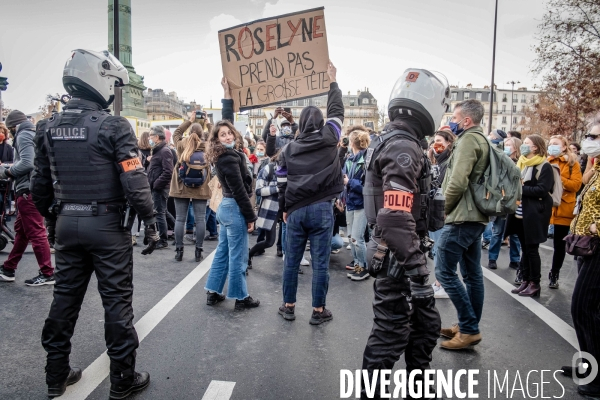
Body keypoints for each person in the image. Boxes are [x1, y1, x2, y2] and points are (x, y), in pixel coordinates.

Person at [30, 49, 158, 399]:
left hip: (67, 224)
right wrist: (150, 221)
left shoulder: (47, 127)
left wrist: (55, 220)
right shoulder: (114, 125)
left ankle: (55, 375)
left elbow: (39, 186)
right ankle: (122, 380)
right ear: (100, 80)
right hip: (106, 227)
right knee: (116, 303)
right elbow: (135, 181)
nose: (114, 92)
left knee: (64, 301)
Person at [360, 68, 447, 398]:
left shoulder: (396, 141)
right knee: (391, 334)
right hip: (399, 257)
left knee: (423, 331)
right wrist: (419, 273)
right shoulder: (404, 148)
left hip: (399, 252)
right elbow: (396, 216)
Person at [276, 61, 343, 325]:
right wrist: (333, 81)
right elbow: (337, 111)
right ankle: (318, 311)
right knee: (320, 263)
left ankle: (288, 306)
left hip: (295, 210)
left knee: (291, 261)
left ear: (301, 124)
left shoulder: (290, 148)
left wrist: (284, 208)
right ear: (321, 122)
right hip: (322, 208)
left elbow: (282, 182)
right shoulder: (330, 137)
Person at [435, 99, 490, 350]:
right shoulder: (481, 139)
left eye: (454, 118)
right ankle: (468, 325)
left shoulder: (468, 140)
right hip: (475, 215)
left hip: (461, 216)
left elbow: (457, 182)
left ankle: (468, 328)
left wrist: (442, 210)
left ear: (466, 121)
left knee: (443, 271)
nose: (451, 122)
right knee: (471, 274)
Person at [204, 77, 259, 311]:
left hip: (225, 209)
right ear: (217, 139)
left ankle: (213, 292)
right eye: (222, 135)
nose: (227, 136)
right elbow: (239, 191)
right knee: (238, 256)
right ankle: (240, 296)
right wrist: (250, 217)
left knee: (224, 252)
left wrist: (226, 94)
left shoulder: (225, 153)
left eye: (229, 133)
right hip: (234, 208)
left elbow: (226, 119)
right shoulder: (228, 157)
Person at [0, 110, 54, 286]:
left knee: (36, 232)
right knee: (22, 231)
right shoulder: (34, 132)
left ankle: (47, 273)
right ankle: (8, 268)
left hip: (27, 189)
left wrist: (8, 171)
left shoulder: (23, 135)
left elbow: (27, 162)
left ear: (14, 126)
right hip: (34, 188)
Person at [566, 123, 600, 398]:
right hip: (587, 247)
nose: (588, 140)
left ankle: (595, 377)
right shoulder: (596, 168)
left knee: (583, 306)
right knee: (589, 309)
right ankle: (589, 364)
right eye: (588, 135)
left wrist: (594, 228)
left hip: (597, 245)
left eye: (594, 136)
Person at [506, 134, 554, 297]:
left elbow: (543, 189)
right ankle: (525, 280)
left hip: (534, 213)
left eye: (527, 143)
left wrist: (520, 189)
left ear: (535, 147)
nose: (523, 146)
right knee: (525, 249)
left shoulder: (544, 165)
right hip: (520, 213)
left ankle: (535, 283)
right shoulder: (522, 163)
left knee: (532, 249)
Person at [170, 111, 212, 262]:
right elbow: (215, 136)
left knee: (180, 219)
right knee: (200, 219)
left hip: (181, 186)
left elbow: (176, 133)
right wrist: (207, 122)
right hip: (201, 187)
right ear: (202, 134)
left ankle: (179, 251)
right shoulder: (207, 146)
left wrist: (189, 120)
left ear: (189, 132)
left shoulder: (181, 144)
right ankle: (198, 251)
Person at [547, 135, 582, 288]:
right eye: (550, 144)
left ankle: (554, 274)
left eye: (555, 144)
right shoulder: (546, 161)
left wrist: (559, 179)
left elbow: (576, 185)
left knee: (559, 245)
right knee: (532, 241)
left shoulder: (572, 163)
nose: (552, 146)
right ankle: (527, 273)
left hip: (563, 207)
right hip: (546, 207)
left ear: (563, 147)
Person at [487, 137, 522, 270]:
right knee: (497, 231)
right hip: (501, 201)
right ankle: (492, 258)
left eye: (510, 145)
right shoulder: (499, 162)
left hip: (514, 202)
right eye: (505, 144)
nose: (506, 147)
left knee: (514, 234)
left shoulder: (520, 163)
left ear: (516, 148)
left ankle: (514, 259)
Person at [427, 128, 454, 298]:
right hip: (436, 210)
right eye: (434, 141)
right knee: (437, 249)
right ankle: (439, 282)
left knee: (441, 250)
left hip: (442, 211)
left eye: (439, 142)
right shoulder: (439, 162)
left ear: (449, 144)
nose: (436, 145)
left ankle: (443, 284)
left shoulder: (448, 163)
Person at [343, 126, 370, 281]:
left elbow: (367, 188)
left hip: (360, 203)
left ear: (353, 142)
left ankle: (363, 267)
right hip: (350, 202)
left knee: (357, 238)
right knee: (351, 236)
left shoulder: (364, 161)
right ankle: (358, 263)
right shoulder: (349, 160)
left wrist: (349, 182)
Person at [248, 152, 280, 266]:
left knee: (291, 242)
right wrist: (277, 188)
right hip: (272, 208)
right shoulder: (269, 169)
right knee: (270, 241)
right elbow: (258, 190)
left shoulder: (294, 169)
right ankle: (249, 254)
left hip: (288, 208)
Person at [147, 125, 173, 249]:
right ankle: (175, 230)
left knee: (159, 213)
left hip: (160, 187)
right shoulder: (159, 150)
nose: (149, 138)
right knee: (162, 211)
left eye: (151, 136)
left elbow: (168, 171)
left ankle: (163, 240)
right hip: (157, 186)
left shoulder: (164, 151)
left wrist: (156, 184)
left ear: (157, 137)